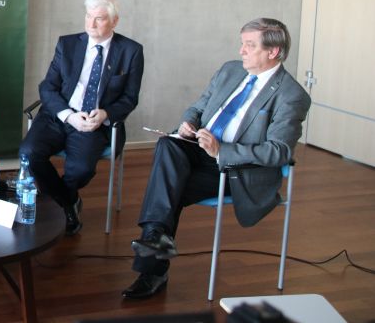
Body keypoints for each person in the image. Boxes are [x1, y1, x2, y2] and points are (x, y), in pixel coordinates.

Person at [122, 17, 311, 300]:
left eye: (249, 45)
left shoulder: (291, 95)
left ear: (273, 52)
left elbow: (279, 150)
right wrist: (188, 124)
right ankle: (155, 246)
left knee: (167, 191)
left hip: (236, 168)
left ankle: (153, 266)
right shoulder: (230, 71)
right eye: (242, 43)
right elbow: (198, 107)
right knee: (168, 145)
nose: (241, 51)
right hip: (198, 149)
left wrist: (221, 150)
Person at [19, 0, 144, 235]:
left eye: (99, 18)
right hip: (60, 115)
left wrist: (106, 113)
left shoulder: (131, 51)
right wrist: (68, 114)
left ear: (114, 21)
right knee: (28, 153)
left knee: (82, 169)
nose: (91, 23)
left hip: (93, 122)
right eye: (88, 16)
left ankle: (59, 201)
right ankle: (67, 203)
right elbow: (48, 87)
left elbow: (130, 98)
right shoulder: (67, 44)